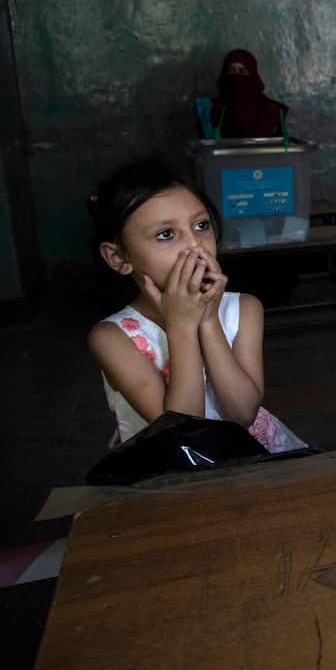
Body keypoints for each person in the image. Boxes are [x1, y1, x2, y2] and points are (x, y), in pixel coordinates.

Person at [87, 160, 306, 453]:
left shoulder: (245, 308)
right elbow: (184, 435)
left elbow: (242, 413)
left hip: (253, 457)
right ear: (119, 258)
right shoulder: (112, 338)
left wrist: (208, 320)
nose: (196, 246)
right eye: (166, 234)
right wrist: (181, 327)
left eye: (201, 226)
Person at [209, 49, 289, 139]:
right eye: (231, 70)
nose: (236, 77)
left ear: (253, 75)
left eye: (242, 71)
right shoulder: (210, 110)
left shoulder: (275, 112)